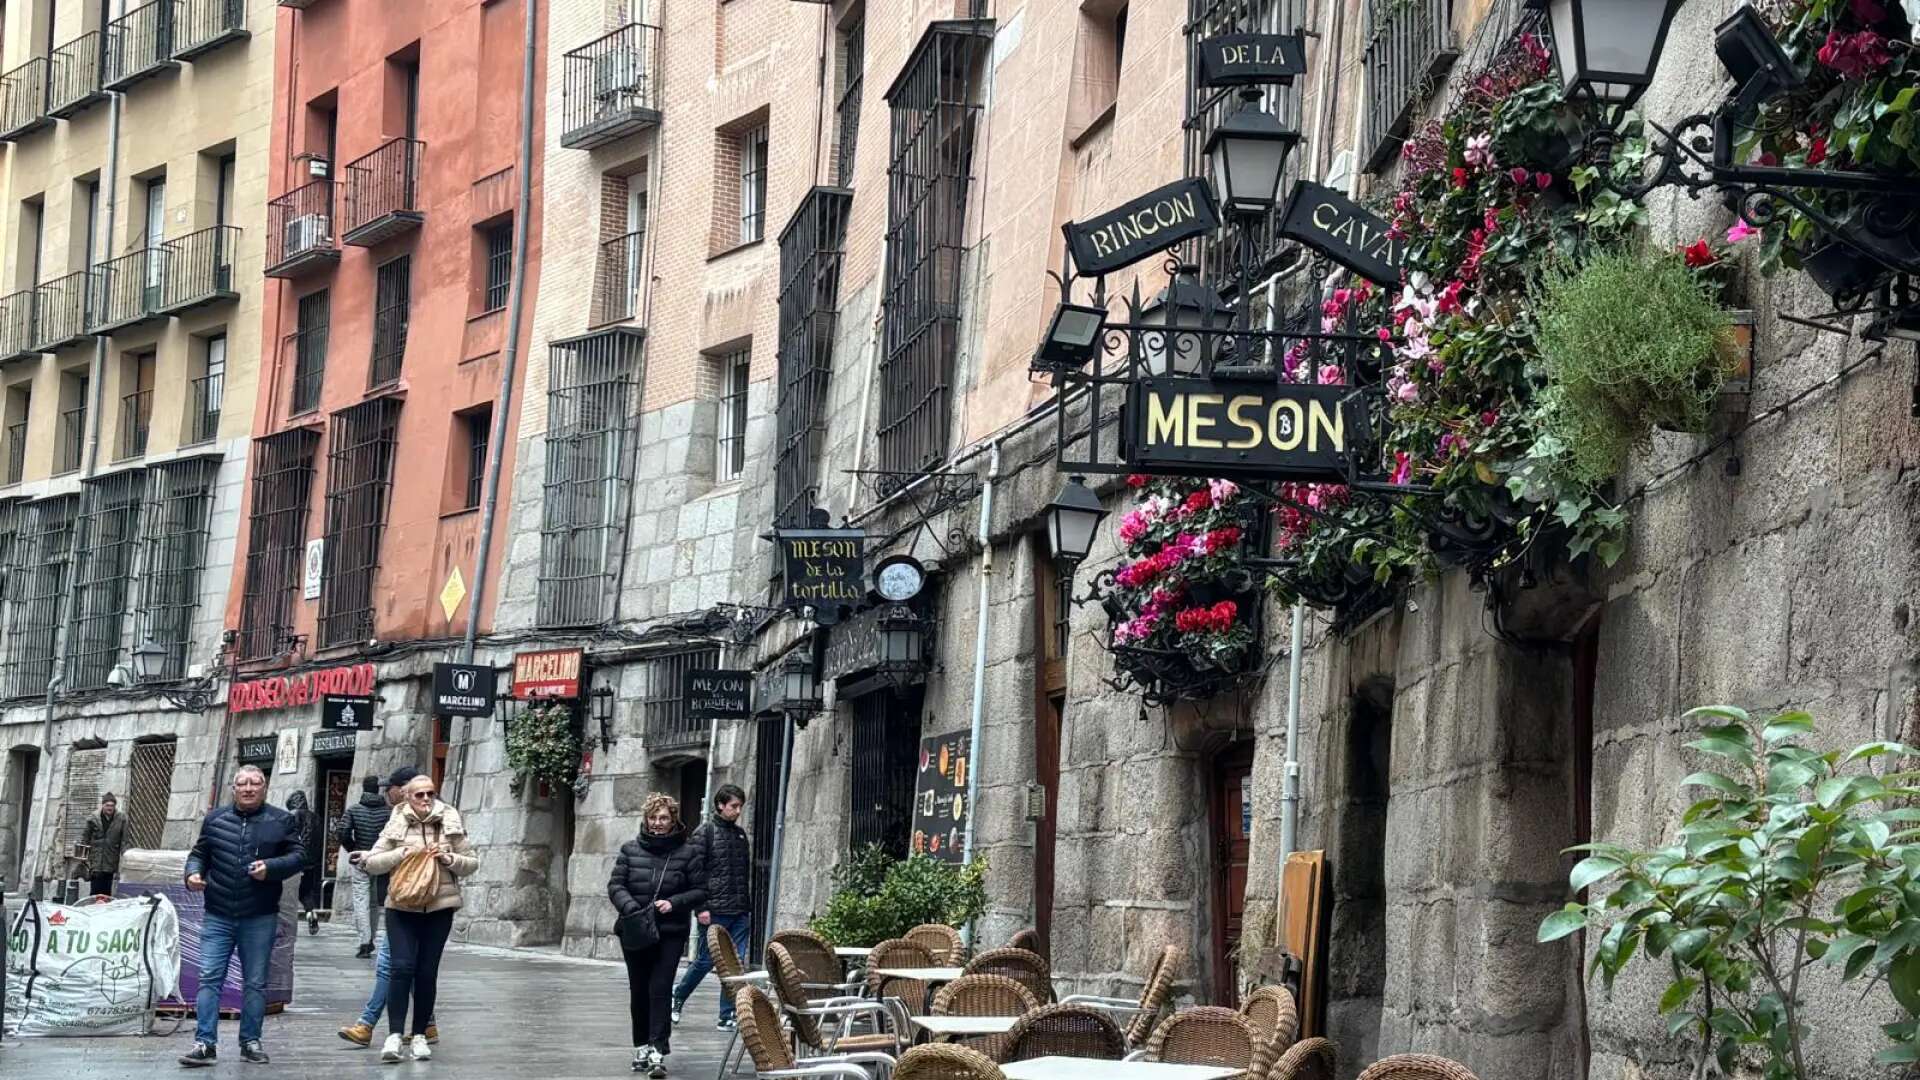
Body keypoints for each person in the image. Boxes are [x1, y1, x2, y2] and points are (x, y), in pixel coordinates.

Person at [179, 765, 306, 1068]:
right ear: (233, 788)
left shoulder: (281, 820)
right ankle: (204, 1043)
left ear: (265, 787)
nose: (248, 788)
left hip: (259, 915)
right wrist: (192, 874)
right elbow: (199, 854)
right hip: (218, 914)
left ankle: (250, 1041)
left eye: (255, 783)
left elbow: (300, 856)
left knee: (255, 982)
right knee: (209, 978)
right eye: (242, 784)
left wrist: (271, 868)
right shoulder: (215, 820)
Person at [362, 774, 478, 1064]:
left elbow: (472, 863)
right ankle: (393, 1035)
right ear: (407, 797)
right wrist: (402, 853)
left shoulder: (449, 821)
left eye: (431, 794)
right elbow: (372, 863)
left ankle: (419, 1036)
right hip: (401, 906)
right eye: (419, 795)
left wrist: (450, 859)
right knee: (401, 967)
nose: (426, 799)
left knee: (427, 972)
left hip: (440, 906)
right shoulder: (396, 821)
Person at [338, 767, 438, 1050]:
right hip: (402, 900)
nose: (386, 794)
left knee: (390, 967)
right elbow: (386, 849)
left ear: (403, 788)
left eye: (390, 788)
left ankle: (367, 1025)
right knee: (408, 968)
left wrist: (376, 856)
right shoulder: (398, 814)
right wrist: (371, 856)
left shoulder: (426, 817)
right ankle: (427, 1024)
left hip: (414, 903)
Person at [610, 793, 706, 1078]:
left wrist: (673, 903)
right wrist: (633, 909)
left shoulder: (688, 853)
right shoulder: (629, 850)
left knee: (660, 988)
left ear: (673, 819)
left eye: (663, 817)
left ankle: (657, 1049)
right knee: (638, 989)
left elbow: (701, 890)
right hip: (636, 929)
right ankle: (640, 1045)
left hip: (670, 931)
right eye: (653, 818)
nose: (658, 823)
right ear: (646, 819)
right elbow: (616, 885)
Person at [670, 784, 751, 1030]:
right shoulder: (705, 833)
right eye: (733, 806)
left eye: (740, 807)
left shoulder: (740, 835)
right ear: (720, 805)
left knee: (734, 963)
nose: (737, 811)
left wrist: (746, 909)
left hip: (739, 911)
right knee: (706, 961)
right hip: (714, 911)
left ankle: (726, 1015)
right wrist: (701, 908)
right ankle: (678, 995)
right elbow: (693, 874)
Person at [336, 774, 392, 958]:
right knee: (374, 901)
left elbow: (343, 832)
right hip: (380, 859)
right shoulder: (388, 812)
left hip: (360, 858)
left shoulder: (354, 810)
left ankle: (364, 940)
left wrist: (353, 849)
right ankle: (371, 938)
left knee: (361, 899)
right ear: (378, 790)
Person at [284, 791, 323, 936]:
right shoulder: (316, 817)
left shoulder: (294, 815)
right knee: (306, 889)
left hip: (296, 858)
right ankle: (310, 912)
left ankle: (288, 922)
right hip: (311, 860)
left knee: (291, 890)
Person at [81, 792, 128, 898]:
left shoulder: (121, 819)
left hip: (111, 860)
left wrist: (125, 858)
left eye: (112, 805)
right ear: (102, 805)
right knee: (95, 892)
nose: (110, 808)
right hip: (96, 860)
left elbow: (124, 841)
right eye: (107, 805)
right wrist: (83, 859)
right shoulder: (93, 818)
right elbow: (85, 838)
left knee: (106, 892)